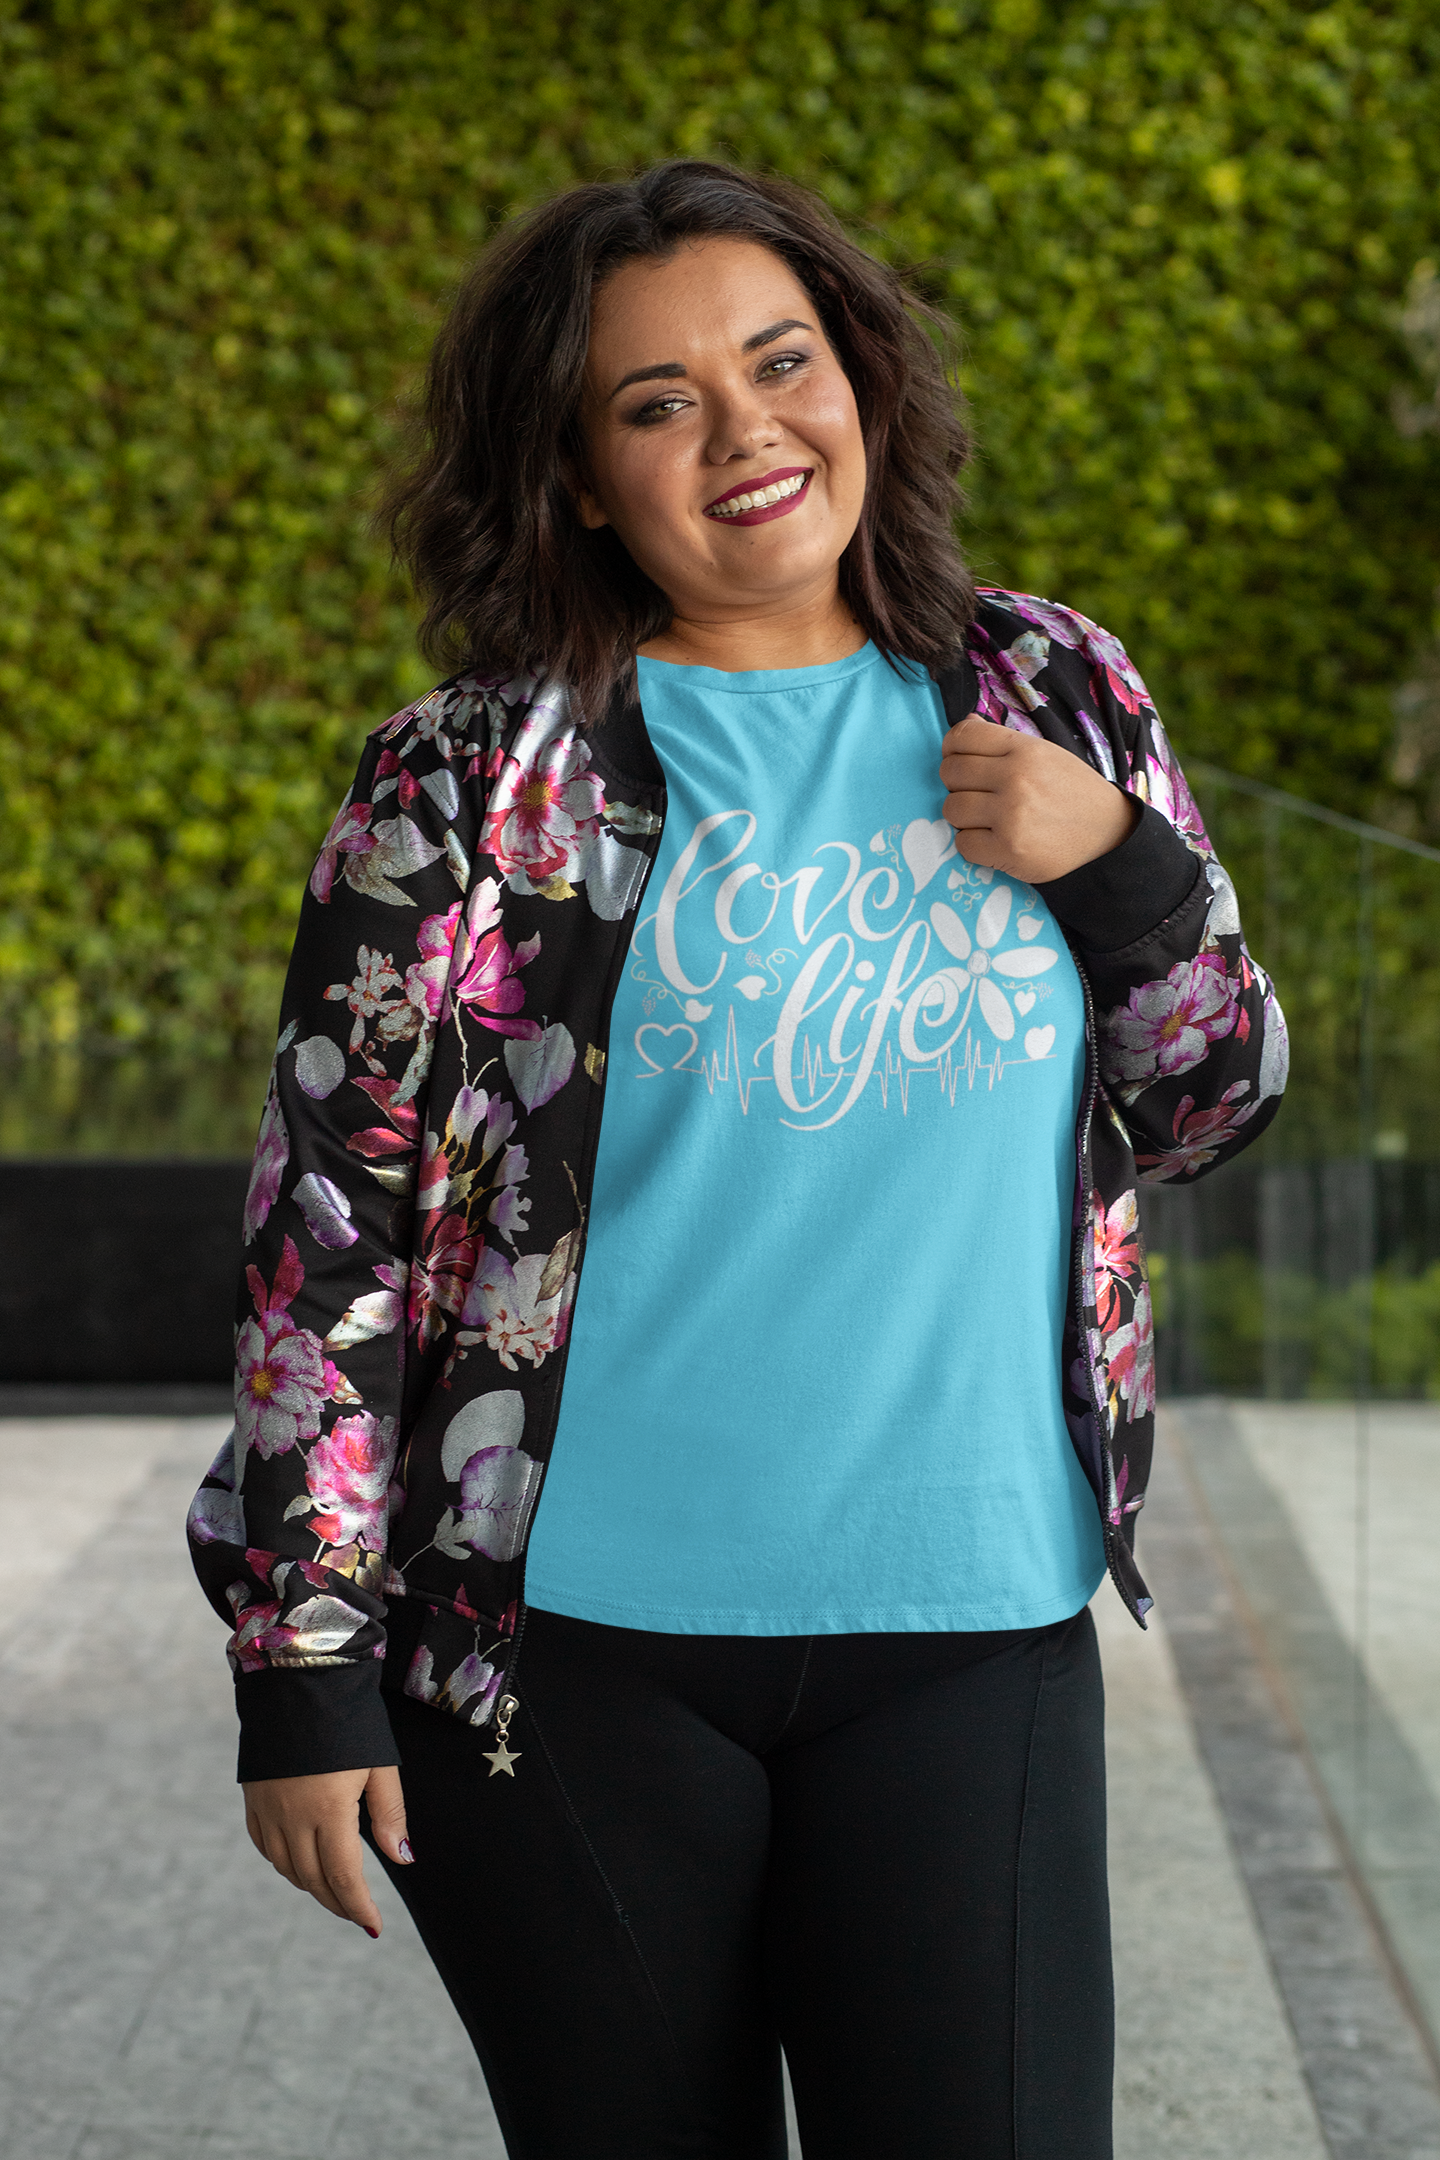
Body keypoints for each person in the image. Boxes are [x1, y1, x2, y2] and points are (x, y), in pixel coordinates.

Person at [189, 160, 1287, 2160]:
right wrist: (307, 1671)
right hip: (567, 1658)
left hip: (975, 1616)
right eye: (656, 400)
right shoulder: (462, 780)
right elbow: (323, 1237)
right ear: (582, 479)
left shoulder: (1049, 691)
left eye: (779, 361)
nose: (745, 430)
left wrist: (1118, 872)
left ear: (860, 374)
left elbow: (1217, 1097)